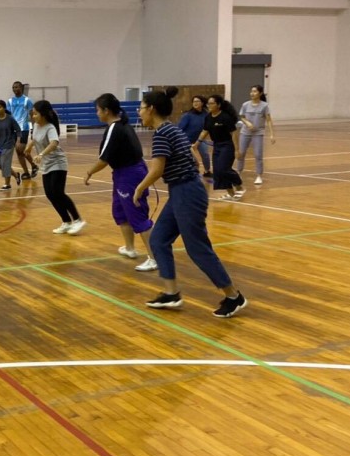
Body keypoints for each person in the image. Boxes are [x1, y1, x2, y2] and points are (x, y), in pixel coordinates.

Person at [133, 87, 248, 318]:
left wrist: (139, 188)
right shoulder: (169, 130)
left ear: (152, 109)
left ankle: (234, 296)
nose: (139, 112)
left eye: (142, 107)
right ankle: (171, 292)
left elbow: (157, 169)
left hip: (188, 192)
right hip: (181, 191)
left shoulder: (163, 133)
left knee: (196, 247)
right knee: (159, 240)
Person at [84, 94, 157, 271]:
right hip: (123, 173)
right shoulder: (121, 124)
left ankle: (155, 258)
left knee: (137, 214)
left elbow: (103, 159)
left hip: (130, 175)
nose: (97, 114)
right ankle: (130, 248)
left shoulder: (115, 128)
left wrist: (89, 172)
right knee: (120, 211)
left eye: (98, 110)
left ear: (106, 111)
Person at [27, 100, 85, 234]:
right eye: (33, 114)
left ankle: (77, 220)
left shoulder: (50, 127)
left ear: (43, 114)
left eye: (35, 114)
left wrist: (41, 153)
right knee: (50, 194)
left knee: (58, 193)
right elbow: (35, 138)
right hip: (46, 164)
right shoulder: (36, 125)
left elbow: (54, 143)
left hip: (58, 163)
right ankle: (66, 221)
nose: (33, 116)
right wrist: (30, 146)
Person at [196, 95, 245, 201]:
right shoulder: (208, 117)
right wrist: (197, 143)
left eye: (212, 103)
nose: (209, 105)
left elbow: (234, 133)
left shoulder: (225, 117)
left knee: (224, 169)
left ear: (218, 105)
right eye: (208, 103)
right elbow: (205, 131)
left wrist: (237, 149)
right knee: (218, 171)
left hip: (227, 145)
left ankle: (239, 186)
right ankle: (231, 194)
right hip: (217, 146)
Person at [236, 85, 275, 185]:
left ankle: (259, 176)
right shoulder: (245, 105)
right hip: (245, 132)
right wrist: (247, 123)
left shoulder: (264, 106)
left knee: (258, 154)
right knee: (241, 154)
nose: (252, 93)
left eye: (255, 91)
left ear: (260, 93)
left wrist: (272, 134)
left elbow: (269, 120)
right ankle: (239, 173)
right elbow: (241, 116)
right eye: (251, 91)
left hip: (258, 133)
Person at [0, 100, 22, 191]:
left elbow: (18, 130)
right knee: (0, 165)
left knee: (5, 164)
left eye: (0, 107)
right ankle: (16, 175)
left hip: (8, 144)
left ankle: (7, 184)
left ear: (4, 108)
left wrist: (18, 141)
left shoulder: (10, 119)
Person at [7, 81, 38, 180]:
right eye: (13, 87)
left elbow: (32, 115)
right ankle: (27, 172)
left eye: (17, 87)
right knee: (19, 152)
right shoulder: (10, 101)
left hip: (23, 128)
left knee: (19, 149)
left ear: (21, 88)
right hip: (13, 129)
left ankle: (33, 165)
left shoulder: (27, 101)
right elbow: (8, 116)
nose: (15, 89)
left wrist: (34, 129)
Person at [177, 96, 211, 178]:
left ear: (202, 103)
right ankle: (192, 172)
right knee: (192, 159)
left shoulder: (206, 114)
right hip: (187, 140)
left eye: (197, 101)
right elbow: (179, 128)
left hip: (200, 140)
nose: (195, 103)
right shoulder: (187, 115)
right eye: (194, 102)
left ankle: (207, 171)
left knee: (205, 154)